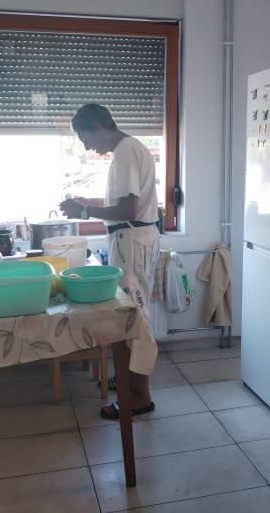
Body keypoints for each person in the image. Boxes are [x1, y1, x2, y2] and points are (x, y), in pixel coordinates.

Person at [59, 104, 160, 420]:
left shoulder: (126, 151)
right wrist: (88, 203)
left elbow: (128, 210)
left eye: (86, 138)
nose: (87, 146)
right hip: (132, 239)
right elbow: (123, 204)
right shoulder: (128, 149)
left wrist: (84, 211)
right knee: (133, 313)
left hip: (132, 240)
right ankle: (129, 379)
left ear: (99, 126)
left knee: (135, 317)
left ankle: (140, 396)